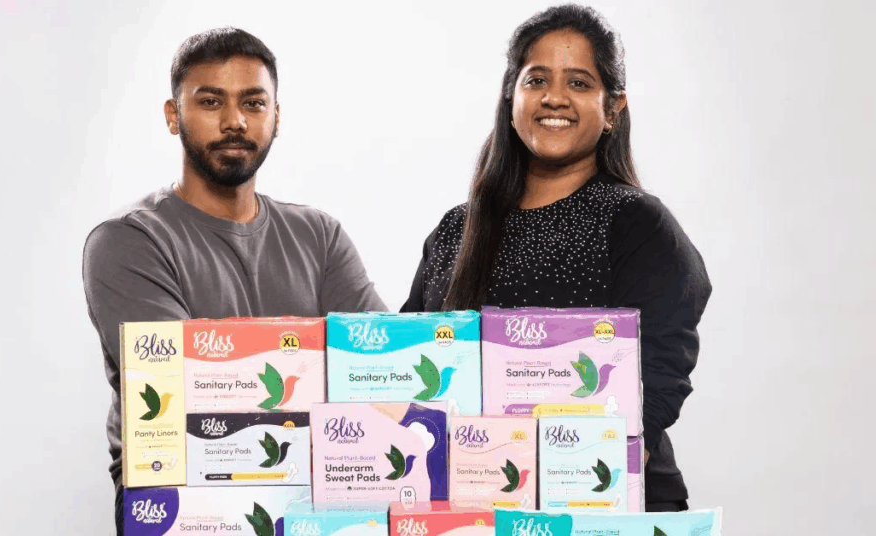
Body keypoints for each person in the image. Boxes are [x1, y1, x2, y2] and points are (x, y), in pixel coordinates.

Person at [401, 4, 711, 512]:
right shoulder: (458, 228)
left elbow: (660, 370)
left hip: (602, 501)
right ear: (511, 96)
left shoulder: (635, 222)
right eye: (537, 79)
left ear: (613, 109)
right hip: (471, 505)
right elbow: (412, 363)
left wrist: (593, 489)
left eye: (580, 83)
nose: (555, 97)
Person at [82, 28, 386, 534]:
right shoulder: (129, 240)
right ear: (173, 115)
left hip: (311, 492)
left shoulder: (319, 235)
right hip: (180, 500)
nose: (234, 121)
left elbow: (377, 372)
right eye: (210, 102)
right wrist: (318, 371)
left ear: (276, 117)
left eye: (253, 103)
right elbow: (184, 399)